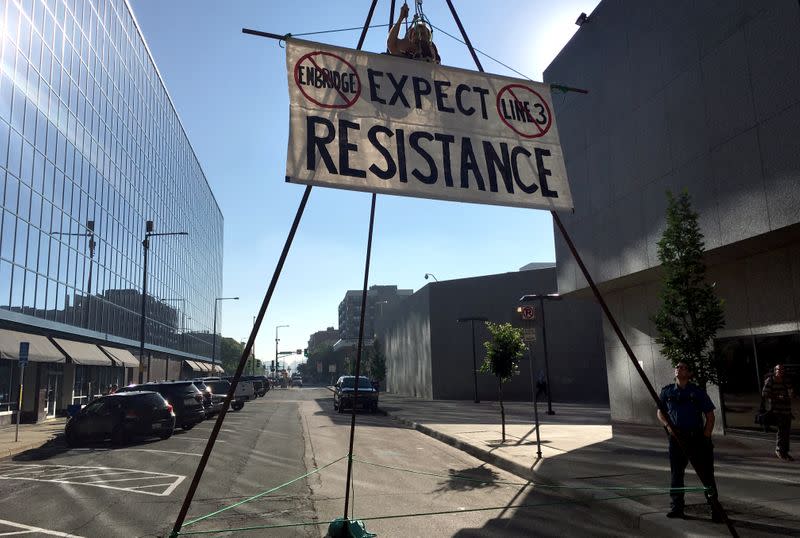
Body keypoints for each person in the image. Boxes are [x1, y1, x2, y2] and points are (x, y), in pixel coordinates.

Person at [657, 362, 722, 522]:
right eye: (677, 367)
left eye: (684, 367)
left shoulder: (697, 392)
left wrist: (705, 438)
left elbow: (710, 416)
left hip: (696, 437)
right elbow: (660, 412)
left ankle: (715, 509)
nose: (679, 368)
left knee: (706, 474)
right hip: (677, 438)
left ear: (689, 373)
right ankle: (676, 507)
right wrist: (668, 426)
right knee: (677, 474)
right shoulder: (667, 392)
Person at [762, 364, 794, 461]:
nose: (780, 372)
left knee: (786, 431)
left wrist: (791, 395)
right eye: (778, 370)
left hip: (786, 410)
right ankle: (779, 450)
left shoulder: (786, 381)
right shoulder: (771, 380)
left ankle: (785, 451)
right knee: (781, 430)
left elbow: (791, 392)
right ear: (775, 370)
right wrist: (778, 397)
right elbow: (765, 393)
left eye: (782, 370)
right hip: (777, 410)